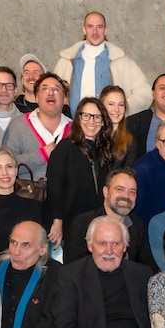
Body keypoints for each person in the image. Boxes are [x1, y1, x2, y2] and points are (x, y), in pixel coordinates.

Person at [44, 96, 114, 245]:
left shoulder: (106, 149)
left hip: (101, 222)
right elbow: (54, 187)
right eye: (86, 116)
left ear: (103, 121)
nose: (91, 121)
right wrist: (57, 222)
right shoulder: (65, 148)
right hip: (72, 223)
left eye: (96, 117)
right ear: (78, 119)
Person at [54, 11, 152, 115]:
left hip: (108, 129)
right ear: (84, 30)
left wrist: (121, 110)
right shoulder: (66, 62)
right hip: (72, 127)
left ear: (106, 30)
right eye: (90, 26)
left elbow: (145, 93)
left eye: (99, 27)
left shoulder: (121, 61)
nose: (95, 32)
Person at [63, 168, 155, 269]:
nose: (126, 196)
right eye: (120, 189)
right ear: (106, 192)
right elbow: (73, 268)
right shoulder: (82, 224)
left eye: (132, 192)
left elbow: (147, 266)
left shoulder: (138, 225)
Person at [3, 73, 72, 182]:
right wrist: (42, 154)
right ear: (36, 98)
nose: (50, 93)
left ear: (65, 99)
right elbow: (6, 165)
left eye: (56, 89)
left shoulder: (75, 129)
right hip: (29, 196)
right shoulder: (18, 125)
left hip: (67, 197)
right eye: (44, 89)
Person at [100, 85, 136, 168]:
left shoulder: (130, 140)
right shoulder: (94, 135)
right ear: (101, 106)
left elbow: (128, 173)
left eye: (121, 105)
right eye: (111, 104)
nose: (116, 110)